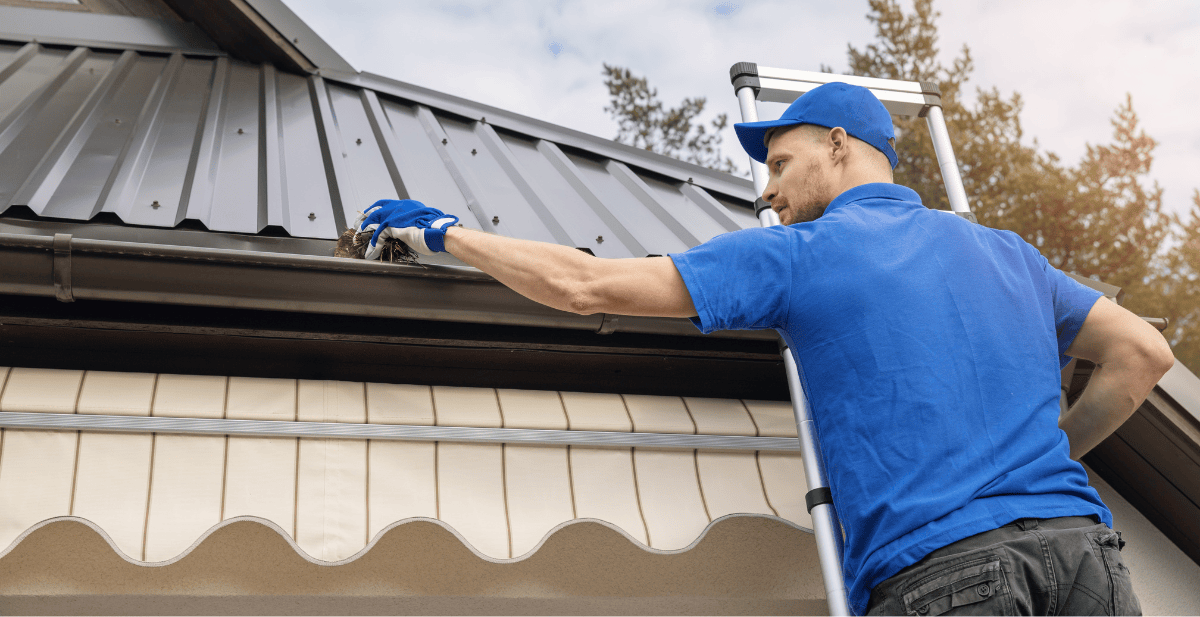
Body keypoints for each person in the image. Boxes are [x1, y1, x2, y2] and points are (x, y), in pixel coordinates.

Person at [353, 82, 1173, 615]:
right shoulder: (1007, 253)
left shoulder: (801, 254)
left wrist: (444, 232)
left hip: (948, 575)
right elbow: (1142, 354)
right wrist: (1038, 455)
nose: (768, 190)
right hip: (1086, 563)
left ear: (841, 145)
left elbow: (587, 287)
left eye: (782, 162)